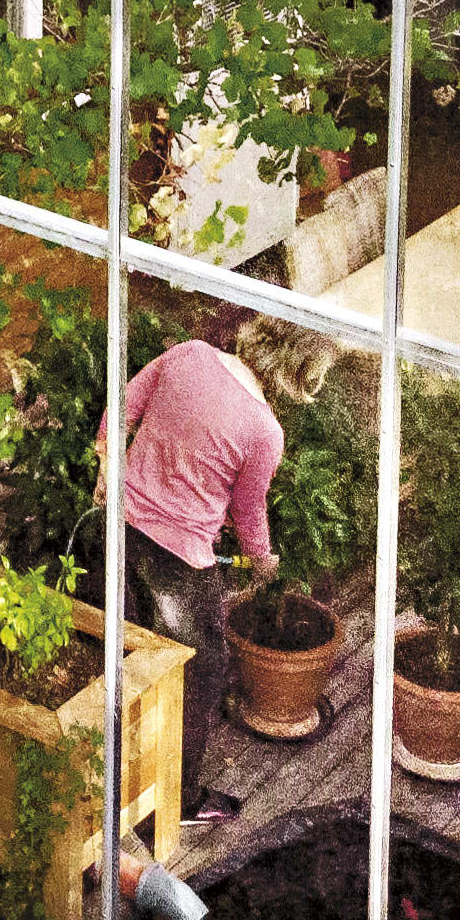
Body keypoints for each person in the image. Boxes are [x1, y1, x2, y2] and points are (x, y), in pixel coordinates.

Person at [105, 327, 285, 824]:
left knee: (122, 655)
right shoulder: (265, 432)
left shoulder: (190, 354)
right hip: (180, 563)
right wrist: (264, 563)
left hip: (119, 532)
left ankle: (109, 779)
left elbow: (119, 408)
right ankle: (177, 801)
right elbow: (249, 516)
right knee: (200, 673)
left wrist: (107, 464)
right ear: (298, 379)